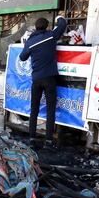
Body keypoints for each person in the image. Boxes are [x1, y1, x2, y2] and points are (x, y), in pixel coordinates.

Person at [19, 15, 67, 148]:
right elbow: (62, 25)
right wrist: (59, 17)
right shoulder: (51, 36)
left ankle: (32, 139)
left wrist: (27, 46)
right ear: (46, 26)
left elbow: (22, 57)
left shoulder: (30, 41)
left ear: (36, 27)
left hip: (36, 80)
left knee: (34, 110)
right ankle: (48, 141)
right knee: (50, 110)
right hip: (50, 79)